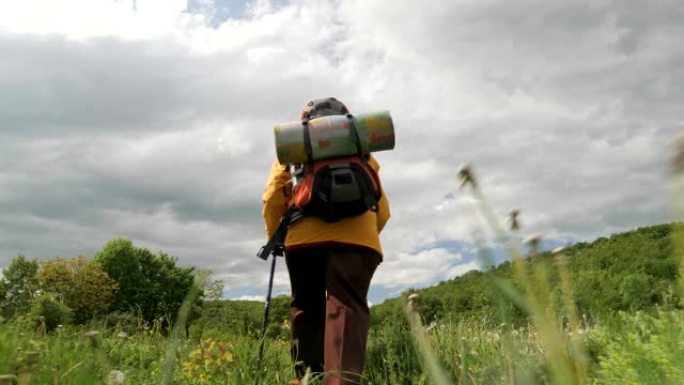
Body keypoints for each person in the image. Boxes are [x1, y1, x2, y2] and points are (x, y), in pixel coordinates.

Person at [261, 97, 390, 385]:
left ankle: (309, 379)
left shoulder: (295, 148)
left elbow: (272, 197)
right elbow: (382, 205)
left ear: (305, 122)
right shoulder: (362, 151)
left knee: (306, 306)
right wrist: (367, 237)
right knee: (346, 308)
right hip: (358, 242)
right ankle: (341, 382)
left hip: (303, 242)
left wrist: (276, 237)